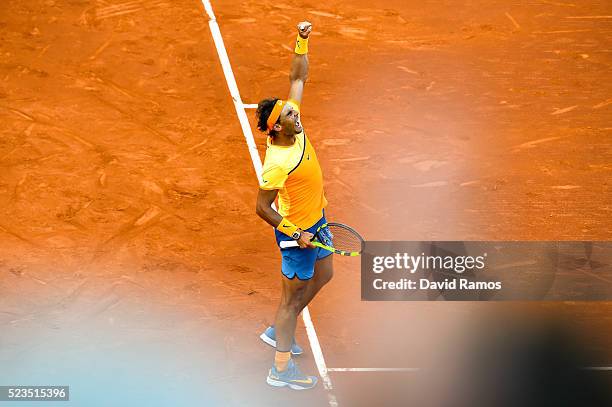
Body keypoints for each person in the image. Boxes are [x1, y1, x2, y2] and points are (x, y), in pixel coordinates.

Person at [255, 21, 333, 390]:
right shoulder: (276, 163)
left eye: (293, 110)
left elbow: (298, 78)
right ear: (276, 129)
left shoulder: (293, 124)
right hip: (296, 234)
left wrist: (301, 40)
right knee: (291, 300)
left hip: (317, 219)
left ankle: (278, 329)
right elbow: (262, 208)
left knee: (326, 274)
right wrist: (294, 231)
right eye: (288, 115)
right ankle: (280, 370)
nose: (296, 113)